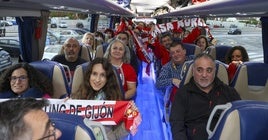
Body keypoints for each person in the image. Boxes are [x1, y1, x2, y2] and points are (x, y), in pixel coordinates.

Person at [170, 53, 241, 140]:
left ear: (214, 72)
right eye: (199, 70)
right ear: (193, 71)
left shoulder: (229, 92)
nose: (204, 75)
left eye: (209, 70)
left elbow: (240, 121)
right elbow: (177, 125)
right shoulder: (183, 94)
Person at [70, 57, 128, 140]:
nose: (97, 80)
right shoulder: (77, 98)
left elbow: (117, 136)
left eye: (102, 75)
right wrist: (65, 106)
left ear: (108, 79)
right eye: (94, 74)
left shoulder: (114, 102)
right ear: (89, 75)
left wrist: (128, 124)